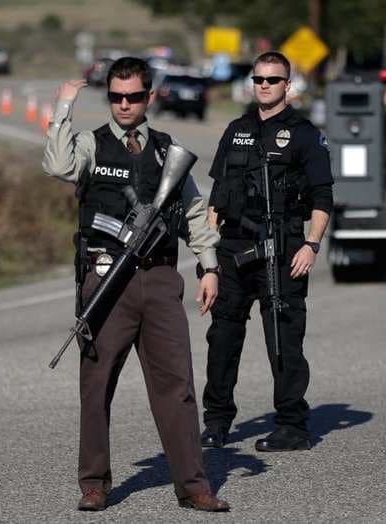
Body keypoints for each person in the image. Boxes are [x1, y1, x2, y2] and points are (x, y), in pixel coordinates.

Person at [42, 57, 229, 513]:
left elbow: (192, 214)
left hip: (161, 279)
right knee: (96, 385)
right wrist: (63, 107)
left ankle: (193, 485)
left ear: (149, 97)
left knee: (177, 386)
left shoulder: (169, 151)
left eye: (133, 96)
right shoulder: (90, 144)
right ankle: (94, 483)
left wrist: (209, 267)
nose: (124, 104)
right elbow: (58, 165)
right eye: (115, 96)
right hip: (106, 277)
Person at [200, 51, 333, 452]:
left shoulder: (305, 134)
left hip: (284, 248)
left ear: (287, 86)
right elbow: (215, 198)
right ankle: (217, 422)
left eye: (272, 80)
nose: (264, 85)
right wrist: (208, 258)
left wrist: (312, 245)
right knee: (223, 337)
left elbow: (322, 196)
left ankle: (292, 424)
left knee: (283, 339)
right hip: (234, 248)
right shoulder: (236, 129)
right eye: (258, 79)